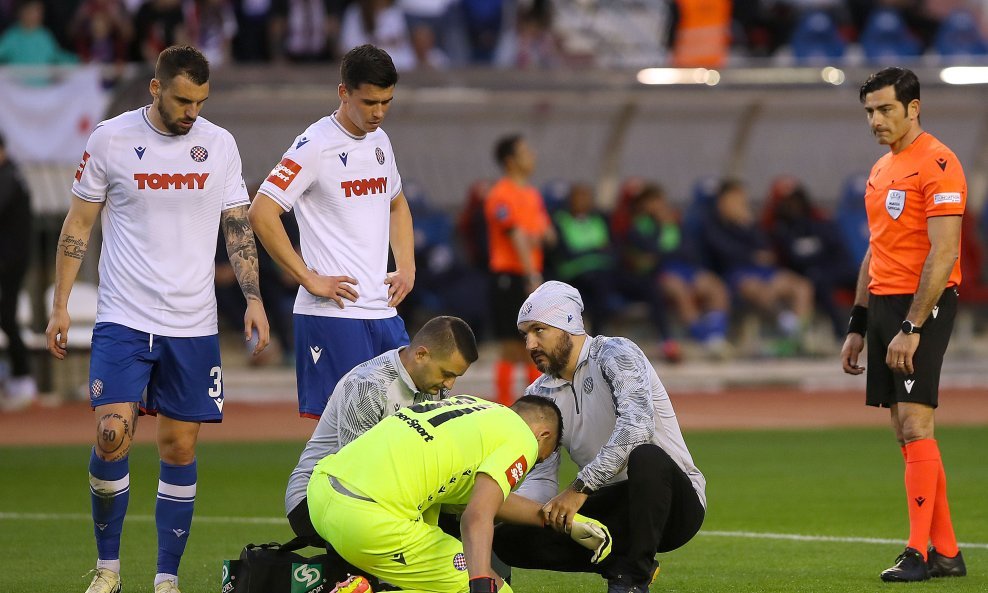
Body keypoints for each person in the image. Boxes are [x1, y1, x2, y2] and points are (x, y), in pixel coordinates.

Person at [45, 46, 270, 593]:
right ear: (155, 88)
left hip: (192, 323)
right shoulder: (110, 139)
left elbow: (237, 227)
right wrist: (60, 303)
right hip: (124, 316)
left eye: (201, 101)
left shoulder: (219, 145)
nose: (193, 111)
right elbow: (79, 222)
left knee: (180, 449)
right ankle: (108, 570)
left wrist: (255, 300)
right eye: (182, 99)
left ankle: (165, 579)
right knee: (110, 434)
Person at [493, 281, 706, 593]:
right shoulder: (537, 393)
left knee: (647, 457)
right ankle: (620, 567)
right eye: (525, 334)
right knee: (504, 538)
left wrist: (580, 488)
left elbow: (637, 429)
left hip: (672, 505)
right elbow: (540, 479)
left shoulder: (616, 352)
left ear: (567, 324)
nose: (529, 344)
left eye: (539, 330)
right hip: (608, 510)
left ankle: (632, 581)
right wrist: (505, 508)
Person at [841, 66, 968, 583]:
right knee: (903, 430)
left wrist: (912, 325)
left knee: (916, 423)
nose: (876, 120)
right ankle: (948, 552)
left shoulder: (939, 163)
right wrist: (857, 322)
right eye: (870, 111)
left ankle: (917, 551)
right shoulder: (880, 170)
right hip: (885, 306)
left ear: (914, 108)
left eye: (886, 109)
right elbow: (875, 252)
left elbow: (944, 254)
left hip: (925, 304)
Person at [249, 44, 415, 419]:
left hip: (382, 313)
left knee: (404, 430)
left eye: (387, 102)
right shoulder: (315, 145)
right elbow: (261, 211)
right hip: (334, 316)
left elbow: (397, 203)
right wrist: (308, 278)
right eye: (370, 101)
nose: (379, 112)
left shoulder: (380, 142)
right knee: (344, 440)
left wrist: (406, 266)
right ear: (344, 92)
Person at [308, 393, 610, 593]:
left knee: (432, 582)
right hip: (370, 519)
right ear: (542, 435)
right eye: (542, 457)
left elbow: (487, 501)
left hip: (322, 493)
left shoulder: (472, 409)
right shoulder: (523, 439)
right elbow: (476, 515)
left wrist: (560, 521)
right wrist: (479, 584)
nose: (534, 464)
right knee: (495, 589)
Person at [285, 315, 478, 545]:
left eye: (455, 377)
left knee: (470, 514)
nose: (449, 385)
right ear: (421, 355)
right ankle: (348, 576)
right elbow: (354, 476)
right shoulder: (368, 386)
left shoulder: (435, 387)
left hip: (381, 491)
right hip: (315, 498)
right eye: (447, 374)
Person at [484, 134, 554, 405]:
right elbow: (517, 236)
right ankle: (504, 405)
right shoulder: (500, 194)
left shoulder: (532, 194)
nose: (532, 155)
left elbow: (548, 235)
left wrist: (532, 235)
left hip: (528, 276)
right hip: (511, 277)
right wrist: (532, 275)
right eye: (525, 151)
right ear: (510, 161)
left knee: (532, 345)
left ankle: (532, 404)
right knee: (513, 347)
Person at [0, 131, 37, 411]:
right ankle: (17, 376)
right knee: (6, 317)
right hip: (13, 260)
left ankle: (22, 378)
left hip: (9, 262)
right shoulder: (14, 175)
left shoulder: (9, 178)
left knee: (7, 318)